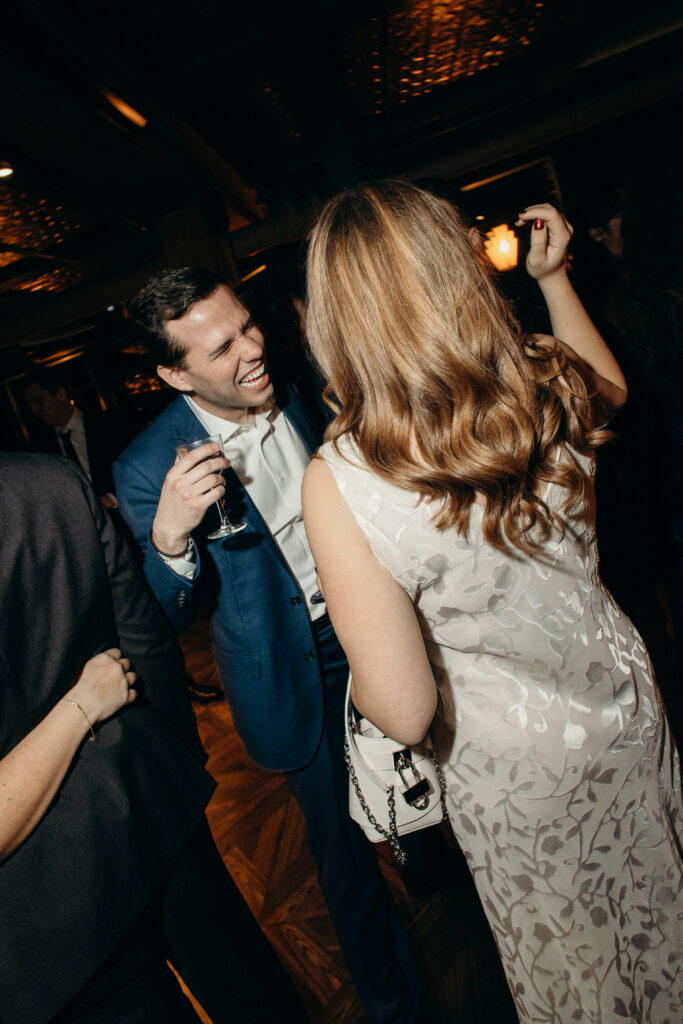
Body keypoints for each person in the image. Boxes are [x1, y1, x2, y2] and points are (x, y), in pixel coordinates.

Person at [302, 180, 683, 1024]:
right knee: (661, 917)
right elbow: (613, 391)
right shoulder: (543, 378)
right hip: (623, 703)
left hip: (520, 771)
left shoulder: (342, 480)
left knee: (578, 973)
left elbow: (403, 710)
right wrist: (553, 279)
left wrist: (360, 660)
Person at [112, 269, 423, 1023]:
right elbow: (160, 614)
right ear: (172, 374)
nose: (254, 349)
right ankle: (396, 1008)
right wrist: (169, 537)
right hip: (289, 673)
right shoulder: (147, 466)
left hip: (373, 621)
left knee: (433, 793)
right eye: (222, 349)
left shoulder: (296, 389)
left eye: (249, 326)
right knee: (343, 854)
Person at [0, 453, 306, 1024]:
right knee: (249, 991)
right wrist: (172, 763)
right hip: (144, 800)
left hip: (35, 918)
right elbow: (143, 642)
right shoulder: (46, 480)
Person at [21, 365, 125, 508]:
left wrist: (111, 499)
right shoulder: (40, 447)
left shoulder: (108, 425)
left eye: (38, 401)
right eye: (29, 405)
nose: (34, 410)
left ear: (60, 394)